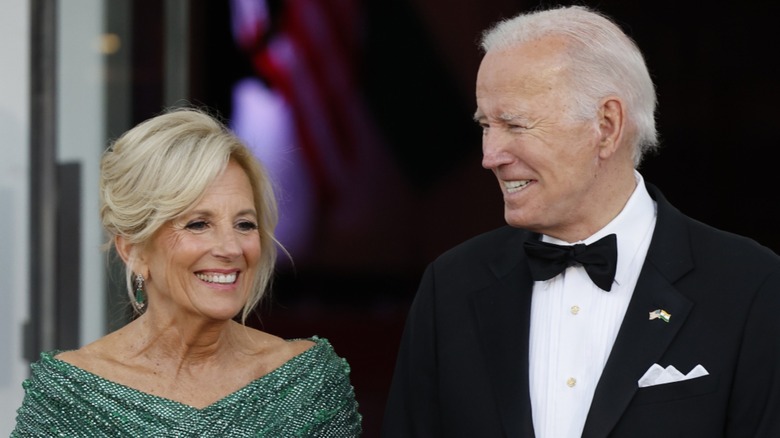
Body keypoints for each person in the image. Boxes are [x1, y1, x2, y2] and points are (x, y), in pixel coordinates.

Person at [382, 5, 780, 438]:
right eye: (485, 126)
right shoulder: (451, 286)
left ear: (606, 126)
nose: (490, 155)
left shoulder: (751, 285)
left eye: (515, 124)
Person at [12, 108, 362, 437]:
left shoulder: (307, 383)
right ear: (133, 250)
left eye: (244, 224)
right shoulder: (71, 395)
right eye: (198, 224)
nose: (231, 248)